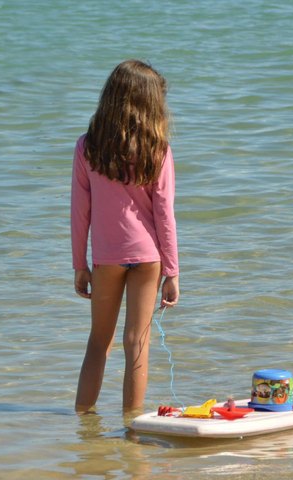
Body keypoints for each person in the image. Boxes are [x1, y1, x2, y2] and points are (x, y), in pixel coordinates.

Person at [71, 59, 180, 414]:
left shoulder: (88, 147)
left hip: (107, 257)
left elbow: (80, 213)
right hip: (148, 256)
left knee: (98, 344)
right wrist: (173, 271)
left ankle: (83, 425)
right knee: (137, 343)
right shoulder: (158, 150)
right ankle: (132, 430)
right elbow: (165, 214)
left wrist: (79, 265)